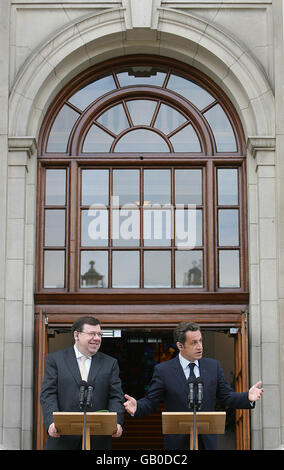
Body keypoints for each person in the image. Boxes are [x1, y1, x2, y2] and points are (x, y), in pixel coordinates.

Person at [124, 322, 263, 450]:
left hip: (207, 442)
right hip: (177, 443)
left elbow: (226, 396)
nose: (200, 346)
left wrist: (248, 398)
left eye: (201, 341)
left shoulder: (213, 366)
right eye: (194, 343)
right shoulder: (163, 371)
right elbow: (151, 402)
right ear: (180, 346)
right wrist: (138, 407)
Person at [40, 316, 124, 450]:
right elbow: (48, 394)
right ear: (76, 335)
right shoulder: (55, 360)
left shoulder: (110, 363)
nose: (97, 338)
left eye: (99, 334)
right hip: (62, 438)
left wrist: (116, 422)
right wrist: (51, 422)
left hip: (98, 439)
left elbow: (116, 396)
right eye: (91, 333)